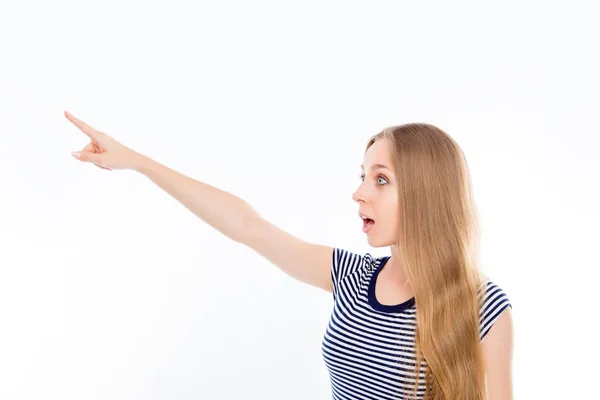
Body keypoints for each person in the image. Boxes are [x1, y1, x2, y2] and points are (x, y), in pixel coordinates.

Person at [66, 110, 513, 399]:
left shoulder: (482, 307)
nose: (358, 193)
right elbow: (247, 226)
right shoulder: (353, 279)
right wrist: (138, 162)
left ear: (426, 193)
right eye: (362, 176)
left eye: (380, 179)